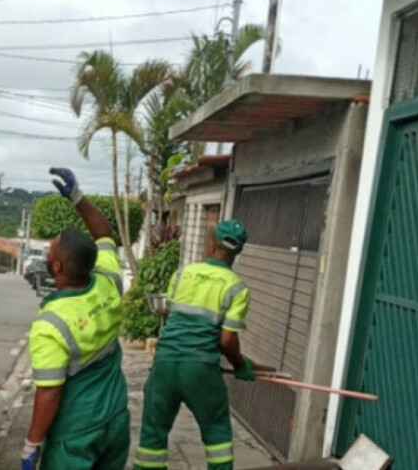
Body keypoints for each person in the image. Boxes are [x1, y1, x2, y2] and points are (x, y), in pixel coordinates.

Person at [21, 168, 130, 470]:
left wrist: (31, 444)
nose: (48, 250)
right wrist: (78, 198)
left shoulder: (51, 324)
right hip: (115, 419)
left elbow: (50, 391)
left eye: (51, 248)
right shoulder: (109, 280)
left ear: (56, 266)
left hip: (76, 434)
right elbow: (105, 235)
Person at [133, 220, 253, 470]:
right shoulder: (236, 287)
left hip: (164, 365)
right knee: (217, 433)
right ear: (239, 251)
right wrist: (240, 365)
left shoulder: (181, 275)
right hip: (200, 369)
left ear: (212, 244)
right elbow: (227, 340)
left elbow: (171, 315)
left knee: (152, 437)